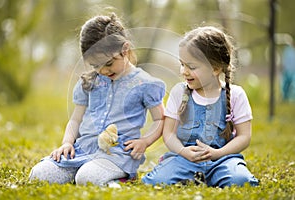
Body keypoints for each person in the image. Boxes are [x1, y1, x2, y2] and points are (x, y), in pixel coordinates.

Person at [29, 13, 165, 186]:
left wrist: (144, 142)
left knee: (87, 178)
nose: (103, 70)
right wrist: (67, 143)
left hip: (117, 154)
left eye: (108, 63)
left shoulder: (144, 83)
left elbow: (160, 119)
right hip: (82, 149)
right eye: (95, 65)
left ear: (125, 49)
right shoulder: (90, 81)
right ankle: (83, 169)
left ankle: (119, 177)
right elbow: (75, 119)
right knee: (40, 174)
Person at [142, 26, 259, 188]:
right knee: (156, 181)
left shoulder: (236, 94)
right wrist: (183, 152)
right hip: (184, 159)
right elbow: (168, 133)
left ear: (216, 68)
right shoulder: (178, 92)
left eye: (192, 67)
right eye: (182, 64)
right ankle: (188, 173)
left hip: (223, 159)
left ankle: (212, 175)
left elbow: (244, 136)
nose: (184, 71)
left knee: (241, 181)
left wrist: (218, 153)